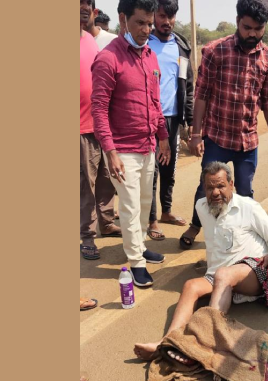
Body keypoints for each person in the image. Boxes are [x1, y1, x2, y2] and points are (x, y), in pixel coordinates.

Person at [134, 162, 268, 366]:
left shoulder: (248, 207)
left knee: (223, 274)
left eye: (221, 186)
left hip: (254, 273)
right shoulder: (201, 207)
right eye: (209, 187)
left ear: (232, 184)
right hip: (219, 274)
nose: (215, 192)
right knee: (191, 286)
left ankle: (205, 344)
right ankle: (167, 342)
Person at [181, 0, 268, 250]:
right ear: (238, 21)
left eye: (258, 29)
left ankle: (239, 239)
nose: (252, 34)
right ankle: (196, 225)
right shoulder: (216, 51)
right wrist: (196, 135)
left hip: (247, 141)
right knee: (209, 188)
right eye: (247, 27)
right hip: (216, 138)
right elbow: (202, 94)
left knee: (245, 194)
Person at [91, 0, 171, 288]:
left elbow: (155, 102)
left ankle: (139, 247)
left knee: (145, 202)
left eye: (149, 23)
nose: (146, 29)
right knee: (129, 206)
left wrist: (163, 137)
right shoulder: (108, 59)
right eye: (140, 23)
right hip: (122, 149)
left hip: (147, 145)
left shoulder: (149, 55)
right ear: (123, 19)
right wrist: (110, 152)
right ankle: (135, 261)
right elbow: (98, 108)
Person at [145, 0, 194, 241]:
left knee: (169, 168)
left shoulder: (182, 46)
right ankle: (152, 219)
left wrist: (190, 118)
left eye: (171, 17)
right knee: (150, 171)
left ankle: (166, 211)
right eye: (163, 16)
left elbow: (189, 86)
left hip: (173, 118)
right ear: (154, 15)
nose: (167, 22)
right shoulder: (144, 43)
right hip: (149, 117)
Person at [80, 18, 120, 262]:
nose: (82, 7)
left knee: (107, 179)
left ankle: (106, 222)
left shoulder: (92, 42)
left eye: (87, 2)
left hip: (103, 124)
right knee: (86, 184)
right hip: (81, 126)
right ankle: (87, 234)